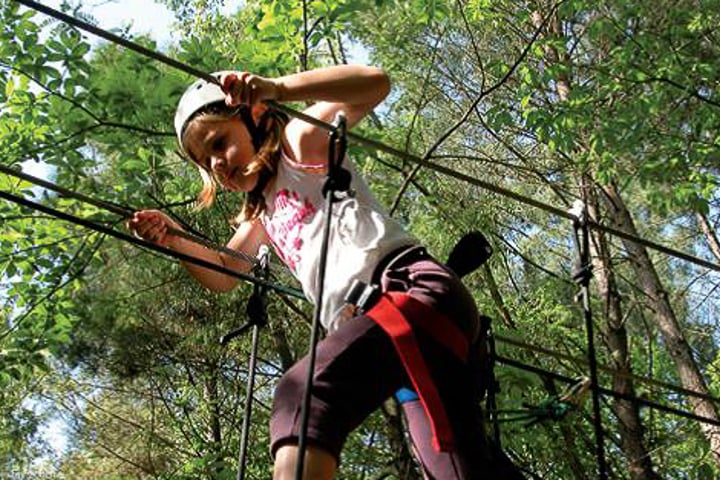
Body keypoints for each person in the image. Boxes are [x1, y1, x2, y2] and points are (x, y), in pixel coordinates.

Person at [128, 65, 522, 479]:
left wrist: (276, 89)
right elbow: (224, 272)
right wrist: (173, 239)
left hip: (409, 292)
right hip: (404, 345)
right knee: (457, 470)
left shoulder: (301, 146)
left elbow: (375, 84)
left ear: (256, 117)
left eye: (219, 143)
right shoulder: (261, 215)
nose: (216, 164)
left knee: (303, 400)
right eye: (205, 161)